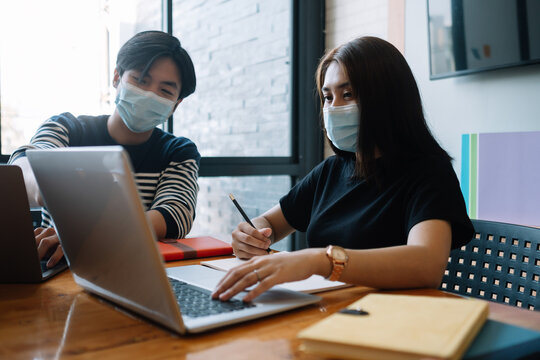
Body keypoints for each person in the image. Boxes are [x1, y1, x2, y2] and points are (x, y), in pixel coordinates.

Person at [212, 36, 473, 302]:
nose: (333, 108)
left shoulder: (429, 171)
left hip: (387, 320)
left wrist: (321, 260)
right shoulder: (331, 170)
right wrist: (250, 234)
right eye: (327, 97)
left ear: (387, 98)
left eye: (347, 94)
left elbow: (426, 265)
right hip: (325, 308)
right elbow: (269, 224)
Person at [9, 31, 200, 268]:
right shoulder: (67, 128)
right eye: (140, 80)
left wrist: (90, 237)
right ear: (116, 77)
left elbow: (175, 214)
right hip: (60, 267)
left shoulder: (178, 151)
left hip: (137, 270)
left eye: (165, 91)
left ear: (175, 105)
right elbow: (23, 165)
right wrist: (43, 184)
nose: (150, 94)